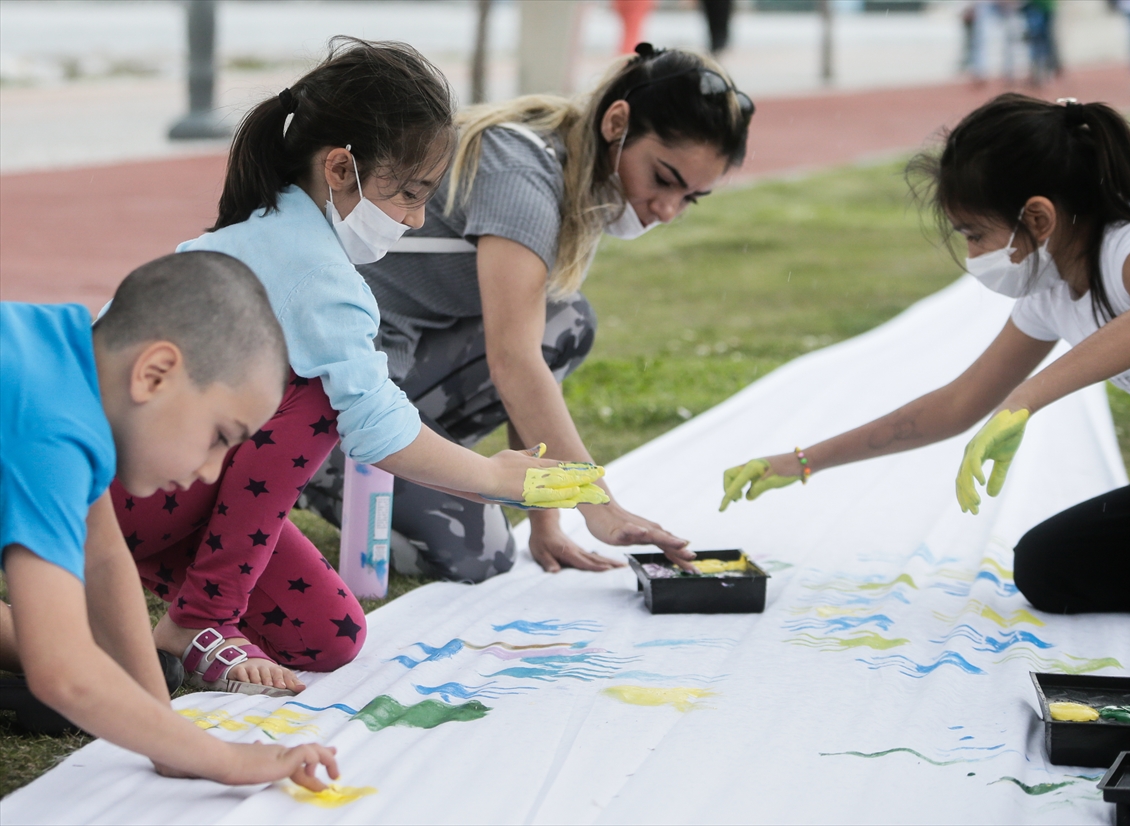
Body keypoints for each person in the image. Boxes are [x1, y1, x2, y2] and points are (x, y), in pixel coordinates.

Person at [114, 38, 606, 697]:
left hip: (164, 503)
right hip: (135, 489)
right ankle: (199, 622)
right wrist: (493, 476)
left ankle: (193, 610)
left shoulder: (268, 228)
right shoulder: (315, 271)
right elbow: (376, 426)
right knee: (322, 398)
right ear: (341, 168)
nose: (417, 217)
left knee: (332, 638)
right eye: (408, 194)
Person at [721, 94, 1130, 618]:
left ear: (1038, 218)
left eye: (975, 234)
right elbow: (957, 403)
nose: (973, 254)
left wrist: (1026, 400)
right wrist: (803, 460)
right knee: (1049, 568)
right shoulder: (1050, 290)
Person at [303, 43, 753, 581]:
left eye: (690, 198)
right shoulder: (520, 172)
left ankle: (400, 466)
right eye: (663, 178)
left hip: (383, 369)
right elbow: (514, 361)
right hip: (323, 388)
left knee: (567, 320)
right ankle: (312, 471)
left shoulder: (565, 170)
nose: (667, 210)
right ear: (617, 123)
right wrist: (598, 506)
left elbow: (528, 347)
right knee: (484, 554)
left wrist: (545, 521)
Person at [0, 252, 339, 789]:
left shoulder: (61, 359)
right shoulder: (50, 427)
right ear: (155, 374)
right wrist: (221, 759)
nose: (209, 470)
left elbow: (105, 554)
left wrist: (163, 726)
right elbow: (62, 673)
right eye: (218, 437)